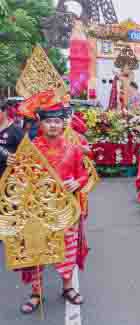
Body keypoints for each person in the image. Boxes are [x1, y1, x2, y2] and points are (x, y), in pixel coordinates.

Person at [19, 103, 89, 314]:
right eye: (49, 121)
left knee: (66, 251)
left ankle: (67, 288)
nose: (53, 125)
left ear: (63, 124)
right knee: (38, 253)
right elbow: (21, 177)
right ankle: (35, 293)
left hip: (66, 210)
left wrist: (77, 182)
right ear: (40, 123)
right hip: (39, 211)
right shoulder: (31, 149)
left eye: (57, 121)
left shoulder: (73, 148)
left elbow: (84, 175)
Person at [0, 100, 24, 176]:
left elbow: (25, 153)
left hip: (7, 177)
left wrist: (16, 159)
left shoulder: (16, 130)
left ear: (4, 112)